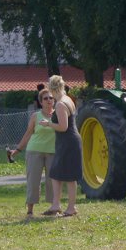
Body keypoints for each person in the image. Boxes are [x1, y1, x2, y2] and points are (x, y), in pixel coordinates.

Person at [39, 75, 82, 217]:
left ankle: (71, 208)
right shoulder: (68, 99)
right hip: (67, 141)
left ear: (51, 88)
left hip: (68, 141)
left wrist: (48, 124)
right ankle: (56, 205)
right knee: (56, 173)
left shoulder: (60, 104)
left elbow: (63, 127)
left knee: (69, 176)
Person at [9, 89, 56, 218]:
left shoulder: (58, 115)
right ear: (41, 102)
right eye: (45, 98)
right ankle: (30, 210)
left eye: (51, 98)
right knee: (33, 181)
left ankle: (53, 207)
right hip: (34, 151)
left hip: (53, 152)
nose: (49, 100)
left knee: (52, 181)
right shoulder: (36, 116)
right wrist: (17, 150)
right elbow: (28, 134)